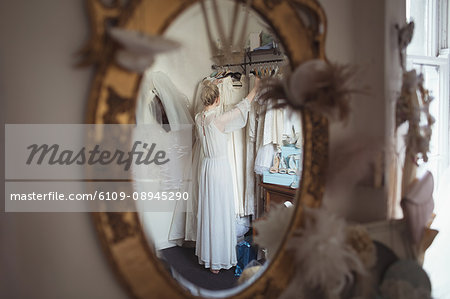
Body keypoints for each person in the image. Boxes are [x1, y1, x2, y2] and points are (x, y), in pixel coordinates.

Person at [195, 78, 260, 274]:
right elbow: (242, 107)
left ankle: (209, 257)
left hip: (206, 167)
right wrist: (256, 88)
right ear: (217, 98)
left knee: (209, 211)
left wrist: (211, 83)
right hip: (220, 168)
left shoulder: (199, 118)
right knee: (220, 212)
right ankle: (218, 261)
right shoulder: (219, 119)